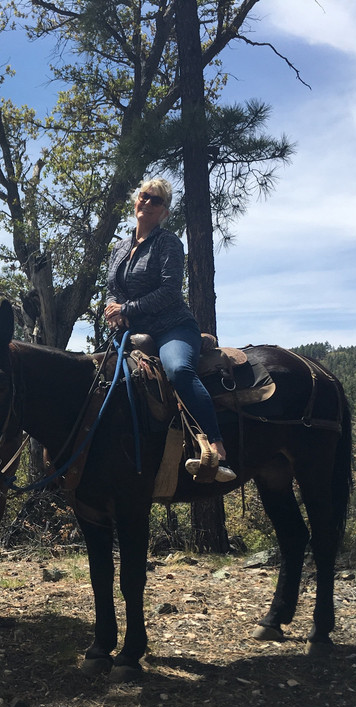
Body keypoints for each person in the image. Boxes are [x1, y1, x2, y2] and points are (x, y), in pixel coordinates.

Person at [104, 178, 236, 483]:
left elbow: (169, 291)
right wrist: (112, 308)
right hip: (132, 333)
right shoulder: (120, 247)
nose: (148, 203)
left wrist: (126, 309)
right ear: (136, 200)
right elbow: (112, 289)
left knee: (178, 370)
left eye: (157, 200)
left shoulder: (168, 243)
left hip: (171, 327)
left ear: (164, 212)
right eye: (144, 196)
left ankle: (215, 446)